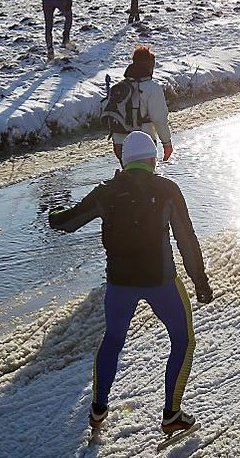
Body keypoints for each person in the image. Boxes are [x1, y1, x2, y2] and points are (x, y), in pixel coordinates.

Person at [48, 130, 212, 436]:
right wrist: (199, 281)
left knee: (112, 340)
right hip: (160, 281)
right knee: (183, 339)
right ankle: (172, 413)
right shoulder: (168, 190)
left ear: (124, 161)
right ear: (152, 160)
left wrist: (53, 214)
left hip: (119, 283)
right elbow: (186, 240)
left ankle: (98, 411)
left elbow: (68, 222)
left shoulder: (107, 190)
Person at [111, 45, 172, 164]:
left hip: (120, 143)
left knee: (130, 179)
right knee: (146, 179)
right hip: (144, 143)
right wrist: (167, 143)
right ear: (150, 65)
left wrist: (116, 143)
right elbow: (159, 119)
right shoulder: (153, 88)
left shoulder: (119, 88)